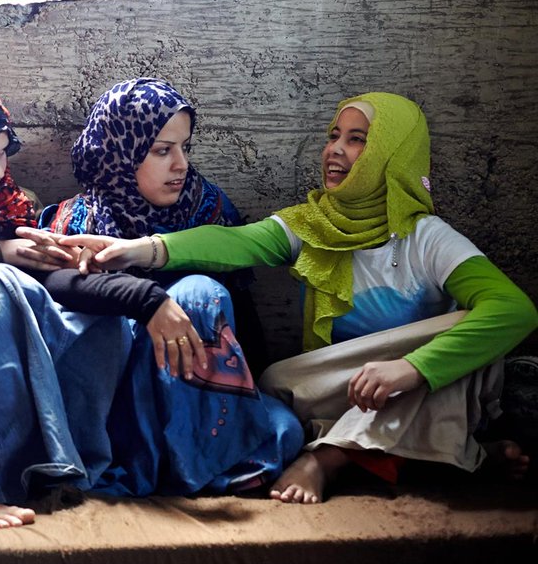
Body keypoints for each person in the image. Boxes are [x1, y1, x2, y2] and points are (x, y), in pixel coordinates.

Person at [57, 92, 537, 503]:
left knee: (467, 335)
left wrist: (410, 369)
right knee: (277, 382)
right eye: (334, 135)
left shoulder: (426, 238)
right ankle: (459, 456)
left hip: (419, 384)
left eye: (357, 140)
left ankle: (329, 458)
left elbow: (514, 310)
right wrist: (140, 249)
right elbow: (237, 243)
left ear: (392, 154)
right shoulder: (314, 224)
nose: (336, 150)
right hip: (352, 387)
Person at [17, 78, 302, 500]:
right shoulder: (74, 223)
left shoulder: (208, 208)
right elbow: (53, 311)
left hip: (201, 400)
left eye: (185, 147)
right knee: (185, 297)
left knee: (285, 429)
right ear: (120, 152)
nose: (181, 164)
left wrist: (248, 390)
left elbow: (241, 317)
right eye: (162, 151)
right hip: (120, 402)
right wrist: (147, 302)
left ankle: (198, 455)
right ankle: (156, 461)